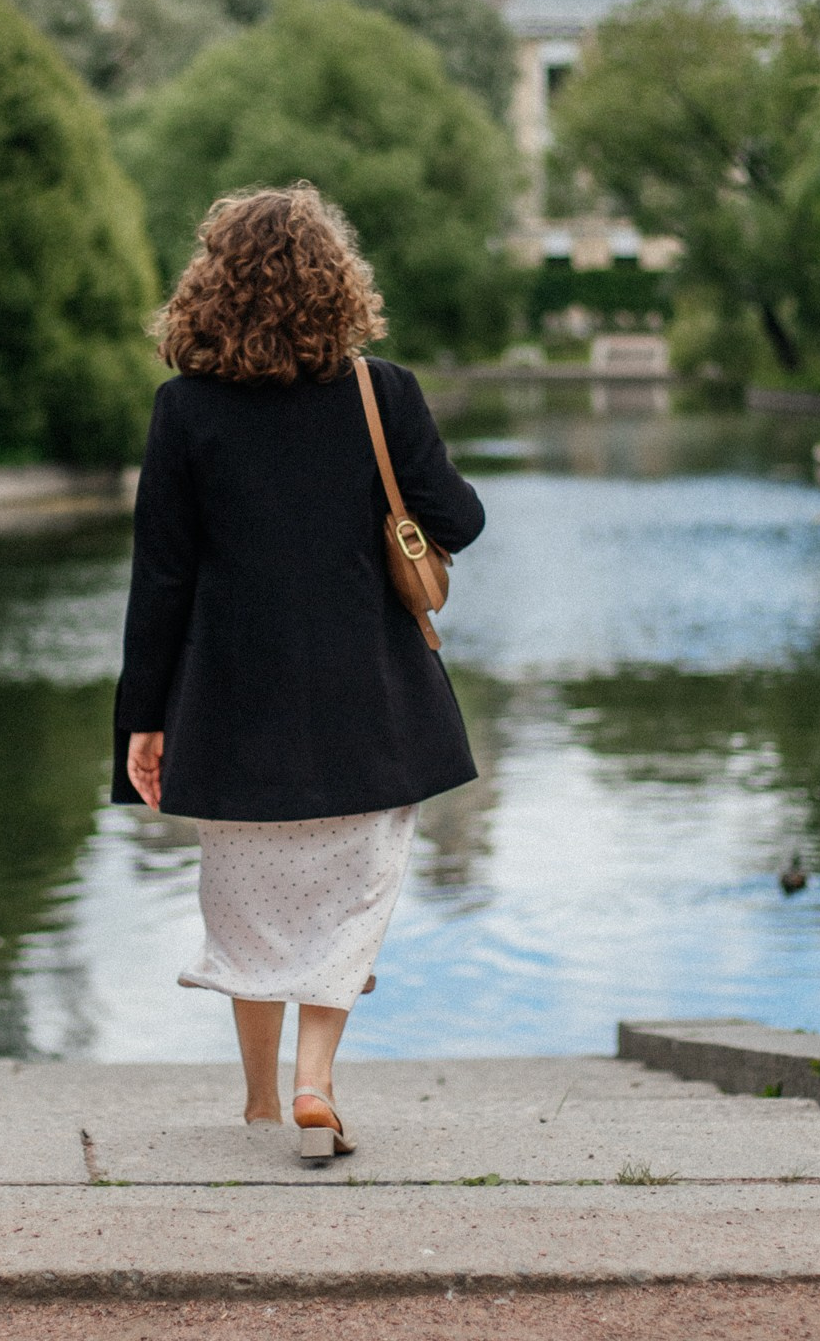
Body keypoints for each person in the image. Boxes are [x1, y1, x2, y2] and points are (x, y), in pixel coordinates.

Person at [112, 183, 485, 1161]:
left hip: (230, 711)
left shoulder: (183, 410)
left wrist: (143, 724)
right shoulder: (382, 392)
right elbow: (460, 520)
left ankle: (257, 1102)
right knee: (351, 901)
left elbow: (161, 580)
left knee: (249, 906)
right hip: (370, 706)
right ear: (337, 282)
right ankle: (316, 1083)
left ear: (213, 286)